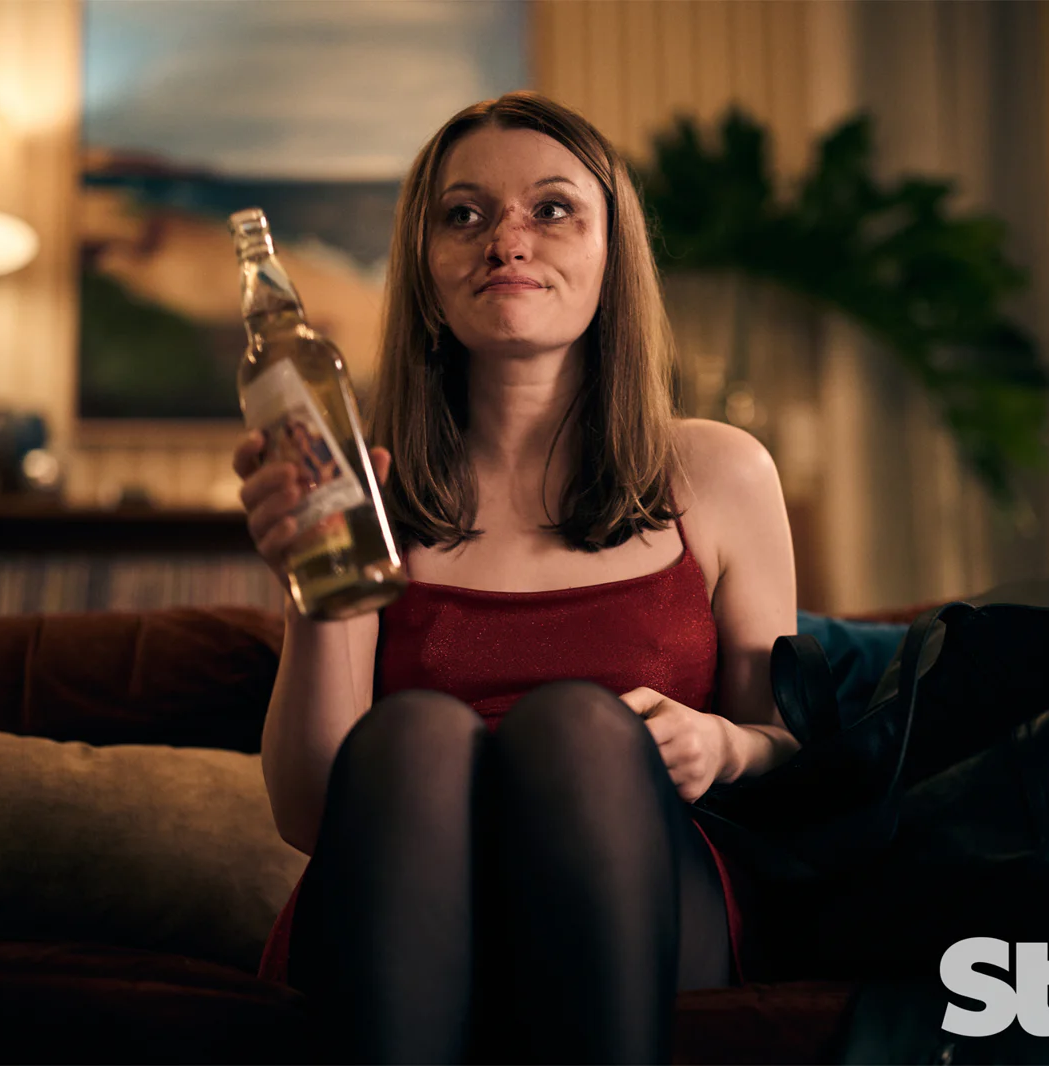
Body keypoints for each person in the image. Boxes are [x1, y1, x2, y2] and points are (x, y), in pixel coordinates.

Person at [232, 90, 798, 1064]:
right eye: (464, 214)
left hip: (646, 899)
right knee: (414, 733)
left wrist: (723, 744)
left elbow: (790, 744)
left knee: (574, 724)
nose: (506, 240)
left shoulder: (719, 473)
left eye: (552, 208)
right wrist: (313, 584)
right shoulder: (363, 491)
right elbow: (311, 815)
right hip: (408, 908)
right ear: (424, 267)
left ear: (612, 254)